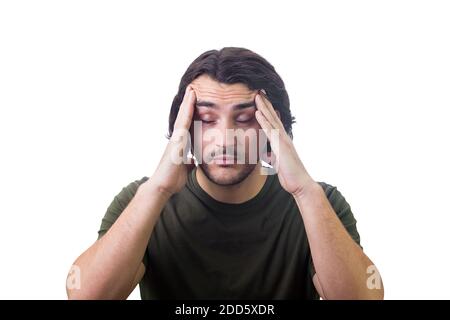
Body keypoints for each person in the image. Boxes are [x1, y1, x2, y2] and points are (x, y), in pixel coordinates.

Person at [66, 47, 384, 300]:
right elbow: (86, 295)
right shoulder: (141, 201)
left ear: (274, 128)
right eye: (206, 117)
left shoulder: (320, 202)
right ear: (185, 126)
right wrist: (158, 189)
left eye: (245, 119)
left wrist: (304, 190)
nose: (225, 137)